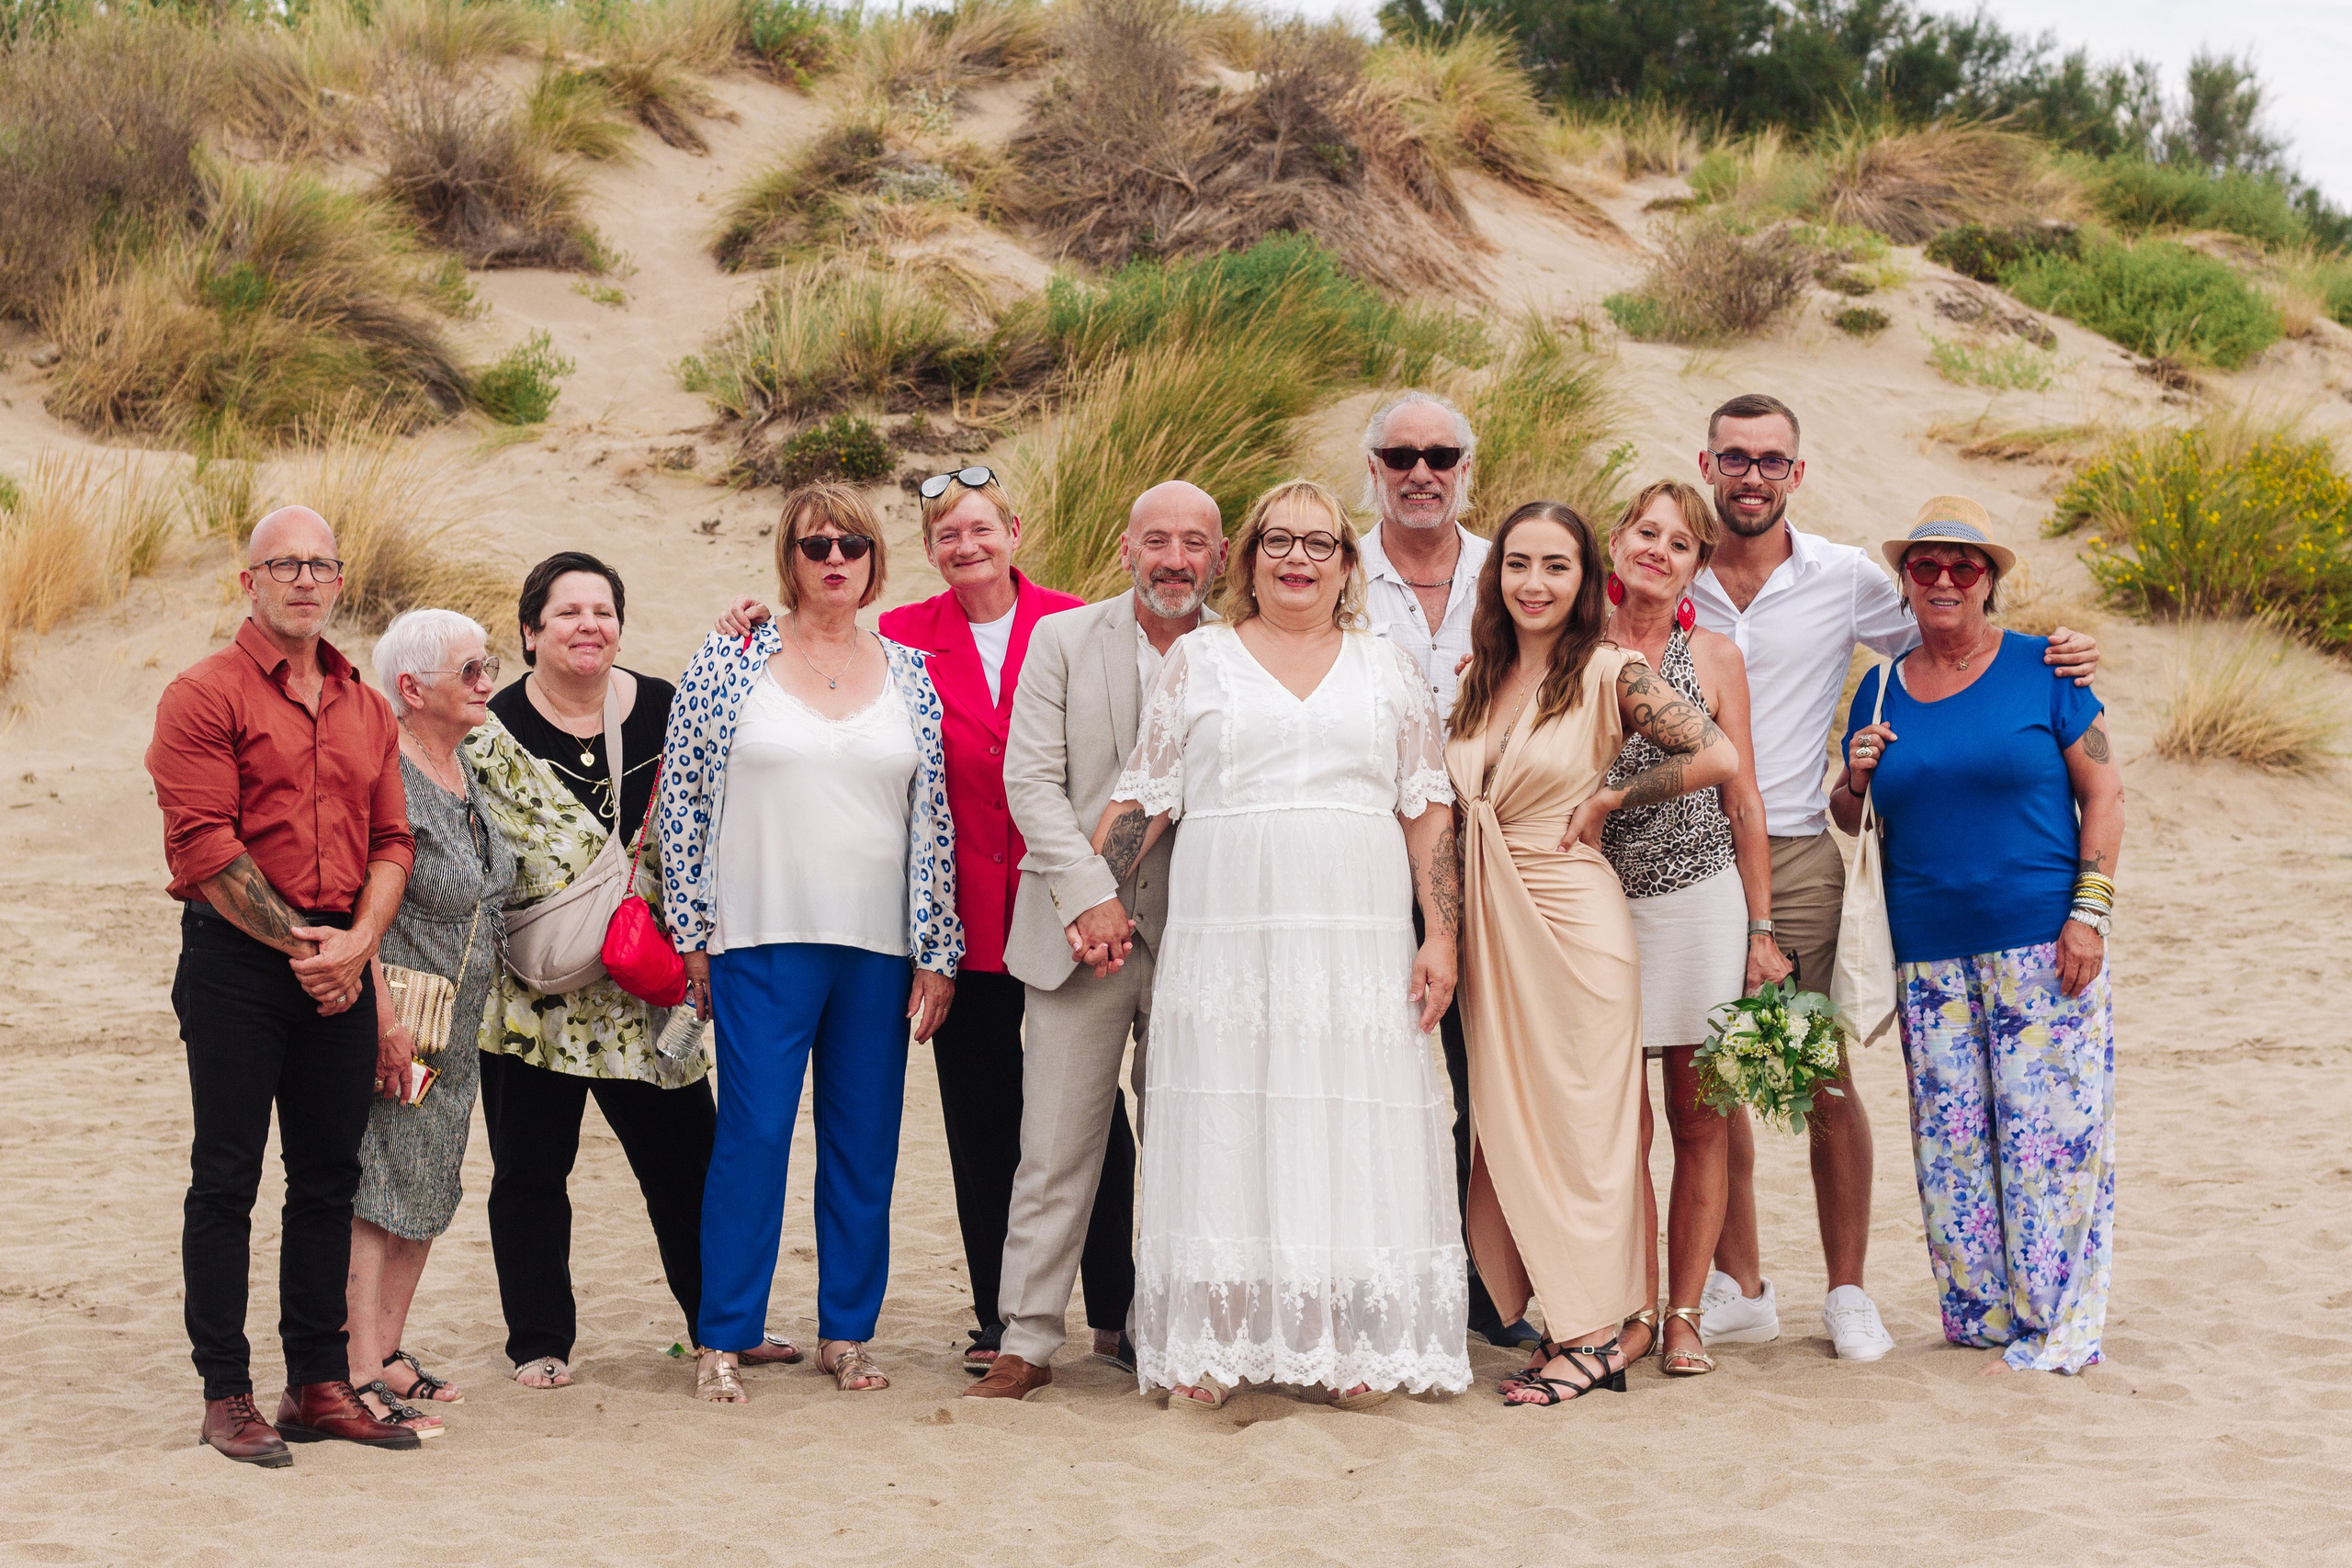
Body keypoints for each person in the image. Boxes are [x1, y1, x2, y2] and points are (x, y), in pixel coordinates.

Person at [1687, 392, 2100, 1361]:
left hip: (1791, 855)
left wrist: (2063, 653)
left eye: (1771, 460)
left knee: (1816, 1069)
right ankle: (1740, 1285)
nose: (1752, 476)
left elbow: (1953, 631)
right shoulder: (1666, 570)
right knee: (1710, 1075)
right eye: (1734, 458)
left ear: (1798, 474)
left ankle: (1846, 1293)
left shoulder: (1842, 579)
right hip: (1678, 860)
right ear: (1707, 466)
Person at [718, 468, 1137, 1377]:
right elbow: (808, 652)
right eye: (947, 535)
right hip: (965, 920)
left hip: (1069, 902)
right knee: (982, 1120)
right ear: (926, 552)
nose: (966, 546)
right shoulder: (901, 637)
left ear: (1014, 531)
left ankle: (1119, 1306)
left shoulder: (1078, 621)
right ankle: (998, 1318)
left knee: (1091, 1105)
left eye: (980, 528)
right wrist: (743, 620)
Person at [1099, 479, 1467, 1409]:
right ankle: (1214, 1341)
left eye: (1318, 543)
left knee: (1347, 1115)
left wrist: (1443, 938)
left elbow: (1426, 813)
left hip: (1355, 931)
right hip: (1228, 932)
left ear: (1348, 566)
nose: (1296, 559)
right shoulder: (1202, 661)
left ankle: (1349, 1343)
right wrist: (1091, 896)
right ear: (1247, 560)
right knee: (1227, 1118)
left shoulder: (1386, 666)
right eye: (1277, 542)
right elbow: (1145, 795)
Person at [662, 483, 962, 1404]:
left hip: (876, 946)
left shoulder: (910, 669)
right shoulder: (732, 656)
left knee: (863, 1144)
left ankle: (848, 1333)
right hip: (760, 936)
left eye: (852, 546)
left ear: (874, 564)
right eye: (814, 545)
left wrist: (936, 948)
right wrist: (693, 933)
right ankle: (722, 1336)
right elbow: (685, 799)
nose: (834, 560)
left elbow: (932, 815)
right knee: (751, 1137)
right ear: (787, 560)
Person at [1444, 501, 1739, 1407]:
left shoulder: (1610, 670)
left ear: (1584, 582)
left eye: (1555, 568)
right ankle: (1564, 1316)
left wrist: (1610, 799)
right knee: (1510, 1126)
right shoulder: (1475, 678)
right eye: (1518, 565)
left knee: (1586, 1131)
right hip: (1494, 928)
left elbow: (1716, 755)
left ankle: (1595, 1337)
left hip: (1575, 921)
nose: (1533, 584)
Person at [147, 505, 420, 1465]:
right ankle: (227, 1393)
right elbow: (206, 847)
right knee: (227, 1178)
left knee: (327, 1178)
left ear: (340, 582)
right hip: (235, 966)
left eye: (321, 566)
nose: (305, 581)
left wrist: (356, 945)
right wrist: (312, 952)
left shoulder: (366, 705)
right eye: (284, 565)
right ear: (249, 582)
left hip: (340, 959)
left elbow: (393, 841)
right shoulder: (201, 694)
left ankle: (317, 1383)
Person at [1835, 502, 2123, 1375]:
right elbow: (1852, 815)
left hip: (2043, 943)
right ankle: (1982, 1317)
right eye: (1928, 568)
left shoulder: (2048, 668)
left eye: (1965, 567)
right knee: (1954, 1144)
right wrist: (1854, 775)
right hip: (1926, 955)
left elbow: (2104, 794)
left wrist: (2090, 912)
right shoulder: (1880, 687)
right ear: (1907, 583)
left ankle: (2058, 1318)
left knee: (2048, 1138)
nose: (1946, 582)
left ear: (1990, 580)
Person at [465, 552, 763, 1394]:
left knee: (687, 1165)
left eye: (602, 610)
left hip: (648, 984)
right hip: (533, 994)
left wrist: (735, 639)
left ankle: (718, 1325)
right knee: (531, 1171)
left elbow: (746, 729)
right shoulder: (488, 730)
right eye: (566, 612)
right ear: (530, 632)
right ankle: (539, 1340)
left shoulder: (665, 707)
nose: (588, 625)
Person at [966, 479, 1227, 1402]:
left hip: (1201, 936)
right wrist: (1089, 899)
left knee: (1192, 1145)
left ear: (1220, 558)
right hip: (1077, 935)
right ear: (1125, 551)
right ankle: (1027, 1340)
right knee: (1054, 1148)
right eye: (1157, 540)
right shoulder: (1063, 640)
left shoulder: (1240, 655)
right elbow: (1029, 782)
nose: (1175, 559)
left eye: (1195, 542)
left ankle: (1175, 1332)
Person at [1353, 389, 1533, 1352]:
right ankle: (1374, 1265)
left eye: (1439, 454)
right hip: (1358, 851)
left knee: (1486, 1072)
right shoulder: (1337, 573)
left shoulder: (1510, 570)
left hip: (1493, 852)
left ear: (1466, 464)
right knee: (1366, 1064)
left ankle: (1487, 1283)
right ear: (1373, 468)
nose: (1420, 471)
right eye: (1399, 456)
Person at [1593, 481, 1784, 1380]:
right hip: (1594, 905)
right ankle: (1624, 1306)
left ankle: (1683, 1317)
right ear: (1617, 544)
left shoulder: (1711, 655)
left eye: (1678, 543)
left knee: (1701, 1113)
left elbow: (1740, 795)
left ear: (1696, 567)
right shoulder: (1569, 650)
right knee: (1615, 1123)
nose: (1658, 551)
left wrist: (1760, 928)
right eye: (1645, 533)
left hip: (1702, 900)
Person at [345, 610, 517, 1438]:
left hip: (461, 1022)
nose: (488, 679)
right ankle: (354, 1370)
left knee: (428, 1186)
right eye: (471, 669)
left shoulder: (462, 766)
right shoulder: (390, 776)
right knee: (378, 1190)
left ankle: (386, 1351)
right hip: (402, 1018)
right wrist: (382, 1018)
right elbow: (360, 910)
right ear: (410, 689)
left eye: (488, 665)